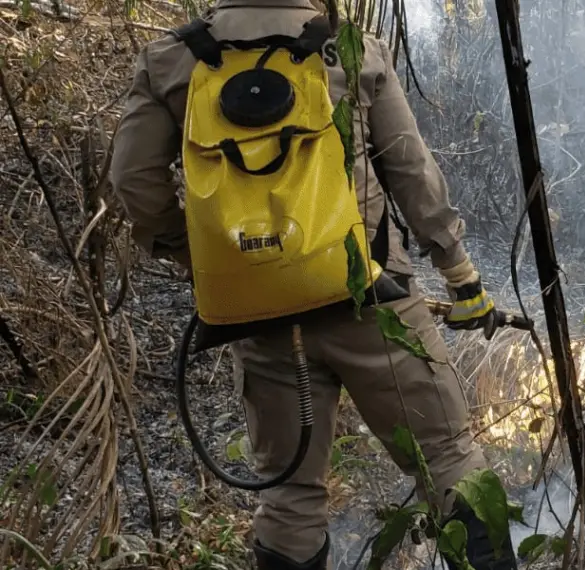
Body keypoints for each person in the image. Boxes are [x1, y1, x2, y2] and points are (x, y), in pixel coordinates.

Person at [109, 1, 518, 569]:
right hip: (372, 297)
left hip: (259, 314)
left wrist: (205, 258)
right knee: (448, 459)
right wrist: (460, 275)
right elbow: (411, 170)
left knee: (289, 498)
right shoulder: (351, 50)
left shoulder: (172, 59)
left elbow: (133, 180)